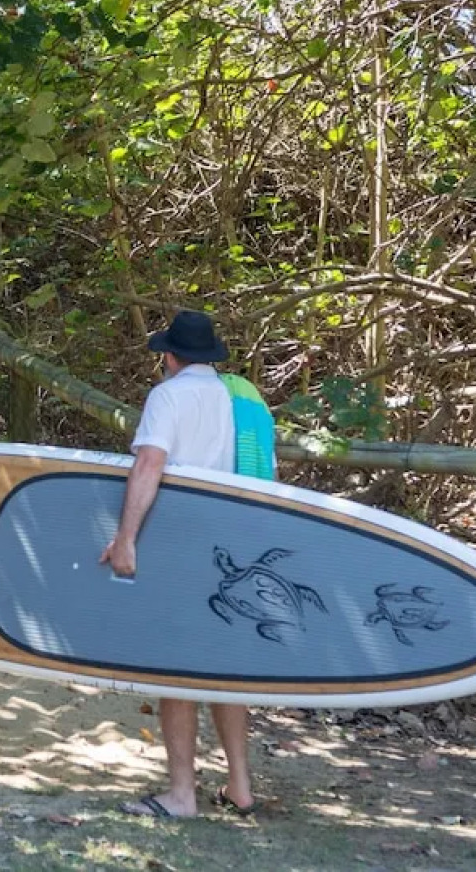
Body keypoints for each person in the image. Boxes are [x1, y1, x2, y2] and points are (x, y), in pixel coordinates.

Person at [99, 309, 276, 820]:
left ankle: (181, 795)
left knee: (175, 673)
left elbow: (150, 463)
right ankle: (240, 788)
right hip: (235, 551)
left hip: (183, 546)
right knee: (224, 671)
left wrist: (126, 538)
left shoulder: (169, 396)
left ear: (170, 357)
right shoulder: (241, 398)